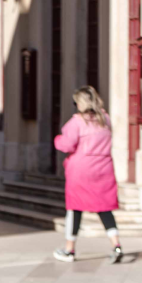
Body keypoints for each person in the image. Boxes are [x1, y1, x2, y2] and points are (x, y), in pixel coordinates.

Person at [52, 86, 123, 263]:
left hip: (81, 169)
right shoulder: (105, 119)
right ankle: (116, 245)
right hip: (103, 168)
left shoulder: (76, 122)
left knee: (75, 208)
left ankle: (69, 249)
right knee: (105, 208)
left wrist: (57, 140)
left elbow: (66, 145)